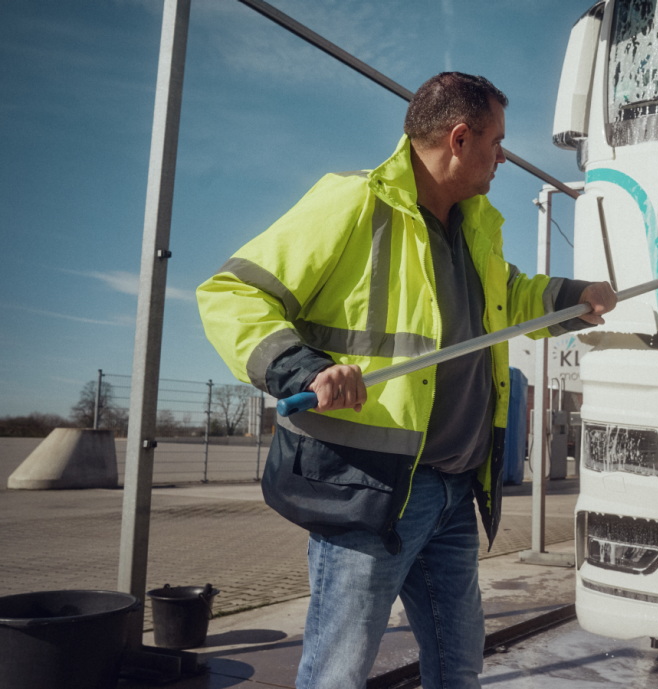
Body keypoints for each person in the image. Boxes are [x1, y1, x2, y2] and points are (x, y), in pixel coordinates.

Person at [196, 72, 616, 689]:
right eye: (496, 143)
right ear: (459, 137)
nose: (502, 157)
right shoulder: (354, 202)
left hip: (453, 492)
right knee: (338, 673)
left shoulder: (477, 229)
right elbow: (231, 294)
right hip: (374, 490)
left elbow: (511, 300)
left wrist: (575, 295)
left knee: (458, 666)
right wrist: (303, 369)